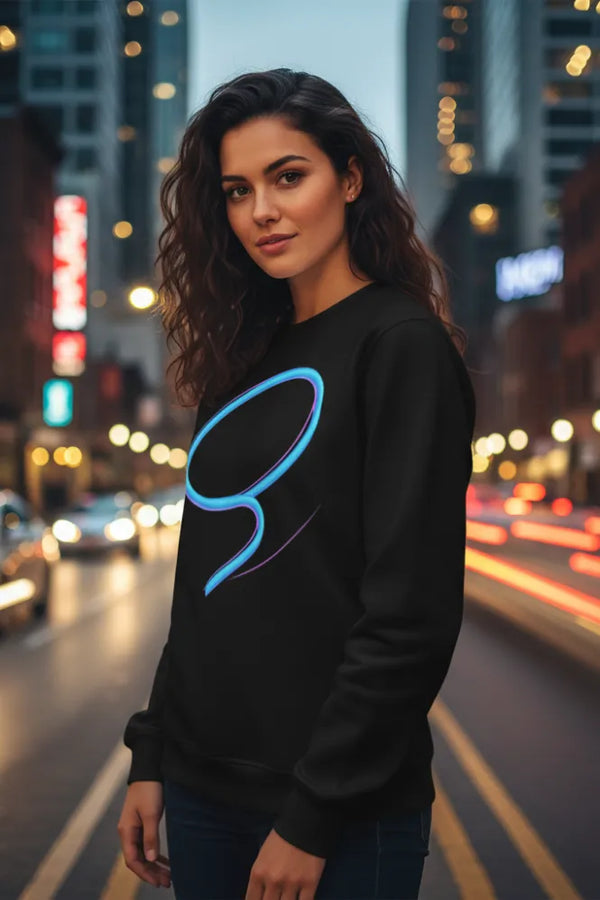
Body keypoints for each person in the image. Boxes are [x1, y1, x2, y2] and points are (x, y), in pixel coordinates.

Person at [117, 67, 476, 900]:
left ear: (349, 179)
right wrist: (154, 753)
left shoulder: (401, 346)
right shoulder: (239, 361)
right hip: (205, 793)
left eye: (289, 176)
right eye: (238, 191)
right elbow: (204, 587)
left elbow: (411, 617)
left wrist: (311, 814)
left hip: (339, 813)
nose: (261, 212)